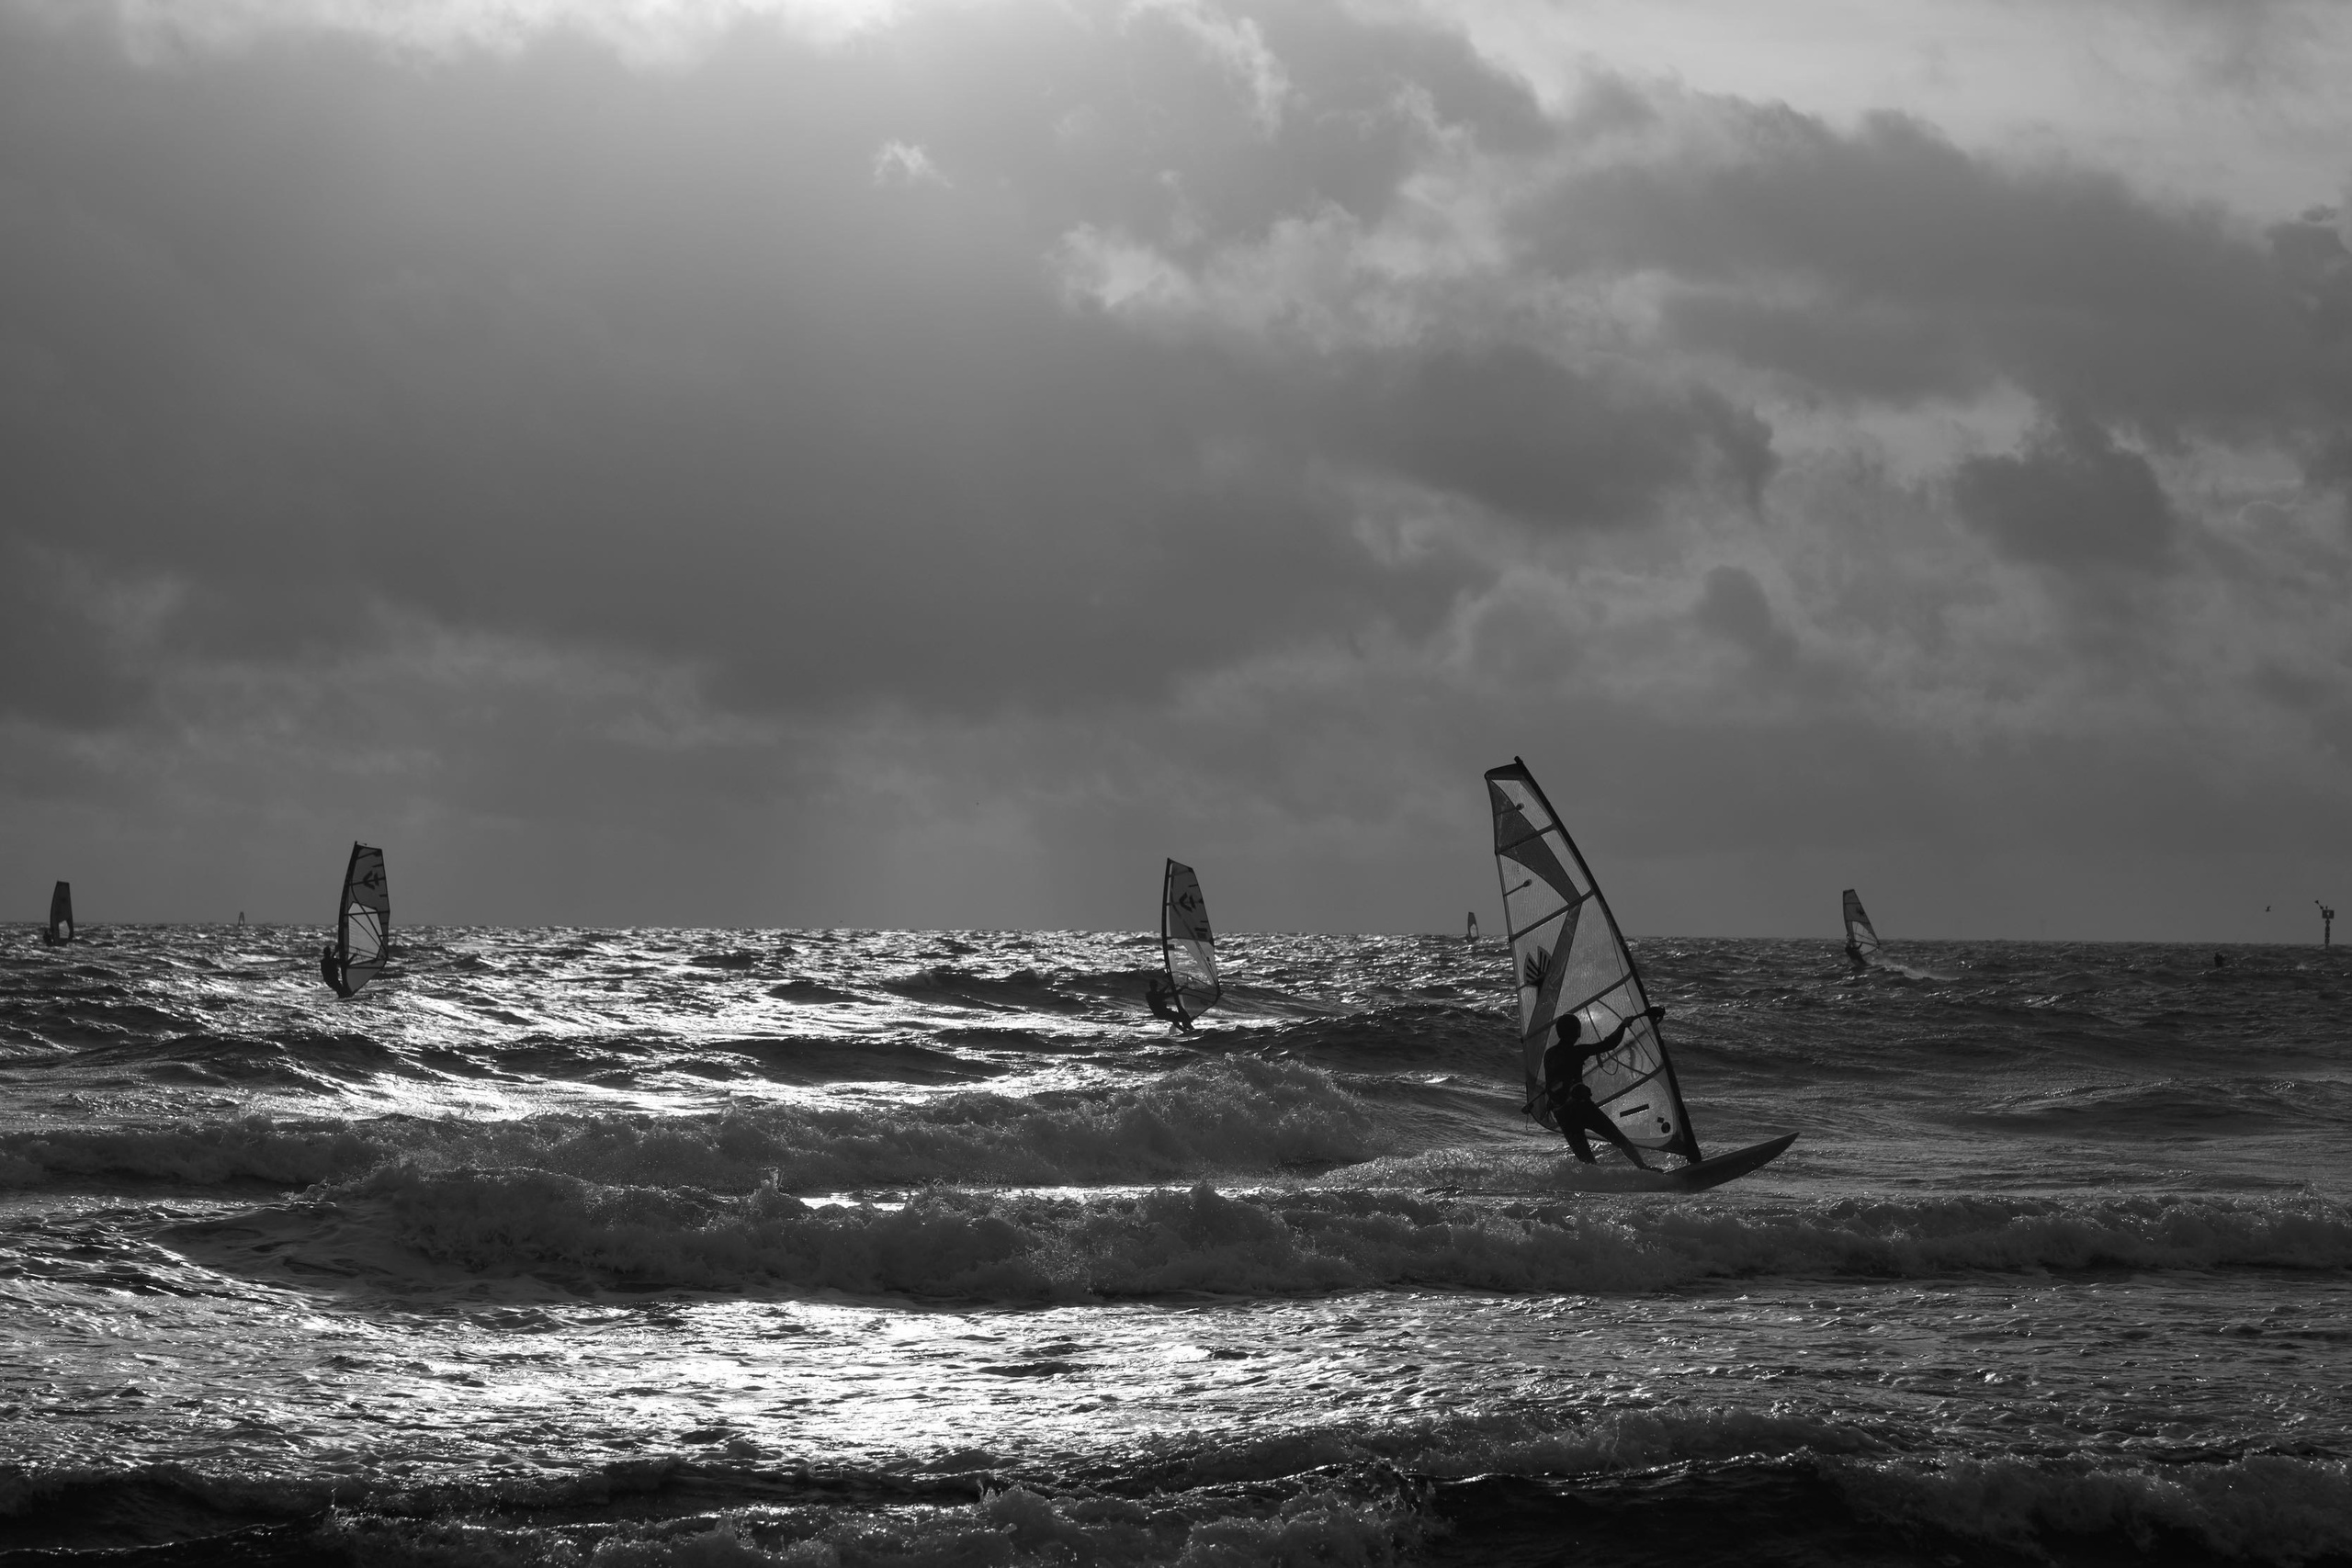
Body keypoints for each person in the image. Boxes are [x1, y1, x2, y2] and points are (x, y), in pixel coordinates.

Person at [1530, 1008, 1668, 1169]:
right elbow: (1609, 1044)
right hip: (1581, 1108)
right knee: (1620, 1140)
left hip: (1562, 1114)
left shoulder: (1549, 1054)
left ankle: (1594, 1185)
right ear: (1577, 1032)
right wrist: (1623, 1025)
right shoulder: (1577, 1052)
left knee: (1587, 1161)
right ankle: (1644, 1168)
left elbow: (1554, 1081)